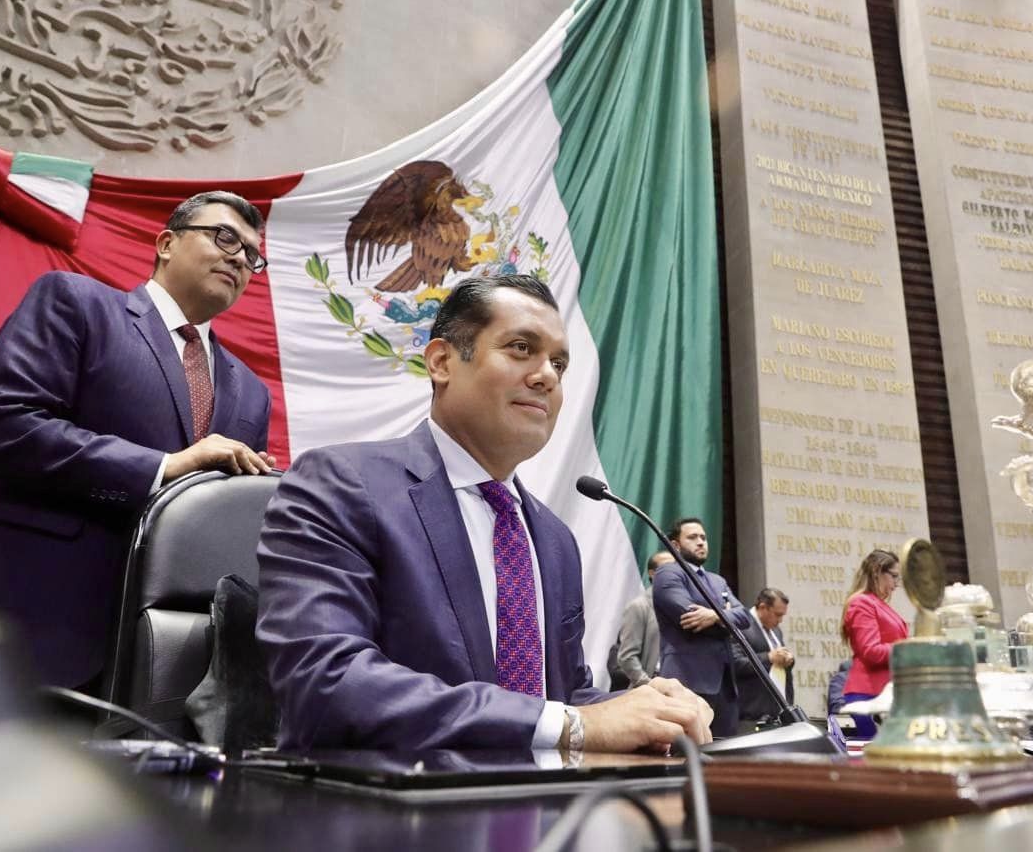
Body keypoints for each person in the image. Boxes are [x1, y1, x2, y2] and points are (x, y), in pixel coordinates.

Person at [255, 274, 713, 753]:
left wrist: (652, 712)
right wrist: (577, 724)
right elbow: (326, 680)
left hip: (544, 797)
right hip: (390, 795)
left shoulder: (555, 539)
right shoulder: (340, 485)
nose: (547, 376)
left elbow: (562, 698)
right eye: (521, 348)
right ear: (442, 362)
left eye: (559, 363)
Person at [0, 191, 276, 691]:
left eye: (252, 254)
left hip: (150, 666)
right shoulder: (76, 302)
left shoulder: (252, 393)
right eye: (224, 237)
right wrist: (163, 467)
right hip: (12, 627)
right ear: (166, 243)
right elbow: (4, 425)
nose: (240, 258)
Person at [652, 517, 753, 738]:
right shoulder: (668, 573)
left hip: (725, 686)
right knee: (688, 752)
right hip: (688, 681)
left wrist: (714, 615)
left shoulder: (718, 581)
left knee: (725, 753)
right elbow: (689, 619)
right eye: (692, 537)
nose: (700, 542)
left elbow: (745, 617)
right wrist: (726, 618)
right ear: (675, 545)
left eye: (703, 537)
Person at [841, 549, 909, 738]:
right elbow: (871, 651)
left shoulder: (877, 603)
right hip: (869, 695)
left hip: (885, 695)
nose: (896, 584)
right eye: (894, 576)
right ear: (877, 572)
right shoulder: (862, 603)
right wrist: (907, 649)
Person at [731, 587, 794, 731]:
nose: (780, 620)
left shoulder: (776, 631)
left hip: (776, 714)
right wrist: (769, 657)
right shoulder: (741, 626)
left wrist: (788, 660)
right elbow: (736, 664)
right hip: (750, 715)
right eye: (777, 615)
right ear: (763, 607)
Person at [608, 550, 673, 689]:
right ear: (652, 573)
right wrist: (648, 685)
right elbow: (627, 656)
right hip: (650, 688)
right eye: (667, 568)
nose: (673, 573)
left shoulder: (681, 606)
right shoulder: (639, 606)